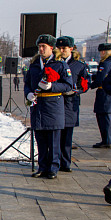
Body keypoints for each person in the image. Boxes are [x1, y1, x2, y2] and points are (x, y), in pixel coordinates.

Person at [24, 34, 73, 179]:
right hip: (38, 106)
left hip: (53, 106)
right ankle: (42, 166)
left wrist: (52, 86)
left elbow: (68, 85)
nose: (40, 49)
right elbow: (27, 83)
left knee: (53, 140)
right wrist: (28, 94)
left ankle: (53, 168)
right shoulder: (33, 64)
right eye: (39, 46)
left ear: (51, 48)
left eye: (43, 46)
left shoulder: (60, 64)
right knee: (40, 140)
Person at [56, 36, 90, 172]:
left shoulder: (79, 65)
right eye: (59, 48)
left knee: (67, 137)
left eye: (64, 48)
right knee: (55, 136)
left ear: (71, 49)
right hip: (55, 103)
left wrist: (76, 91)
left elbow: (85, 84)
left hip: (70, 105)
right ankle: (54, 162)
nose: (62, 51)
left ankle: (65, 163)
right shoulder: (54, 63)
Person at [91, 43, 111, 148]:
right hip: (108, 93)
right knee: (105, 117)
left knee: (103, 117)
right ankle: (107, 139)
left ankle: (107, 140)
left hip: (104, 93)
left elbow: (101, 80)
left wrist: (90, 85)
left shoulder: (106, 63)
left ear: (103, 52)